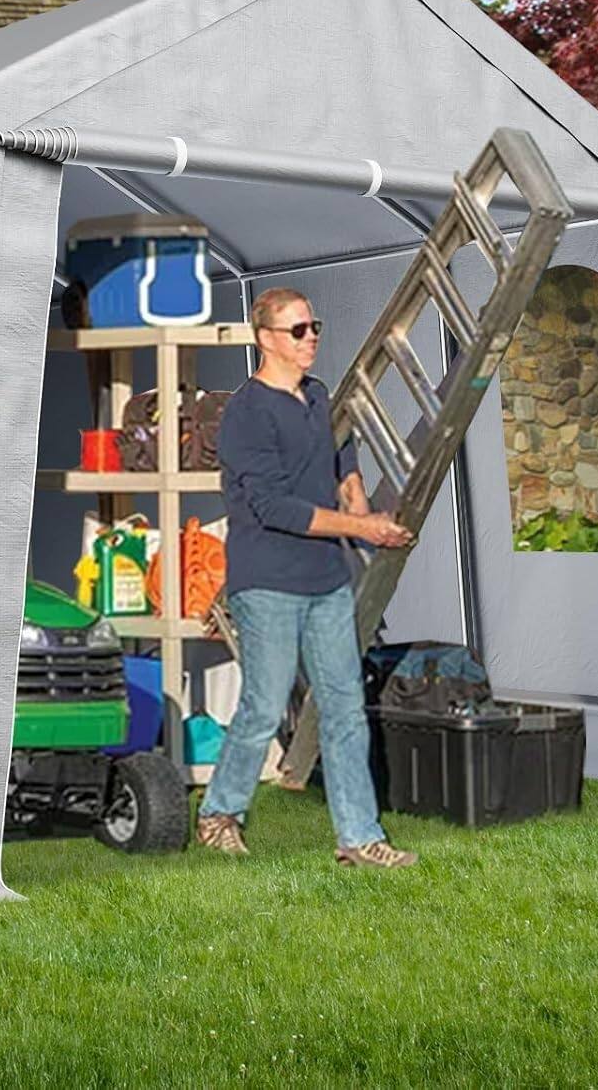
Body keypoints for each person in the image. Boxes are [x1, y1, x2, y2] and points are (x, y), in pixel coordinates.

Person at [196, 287, 418, 869]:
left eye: (313, 326)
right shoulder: (245, 413)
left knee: (345, 708)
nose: (311, 337)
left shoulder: (317, 397)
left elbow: (342, 462)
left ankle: (359, 838)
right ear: (265, 338)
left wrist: (365, 512)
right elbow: (274, 508)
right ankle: (219, 813)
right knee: (265, 707)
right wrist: (361, 528)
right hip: (266, 579)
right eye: (297, 330)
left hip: (326, 580)